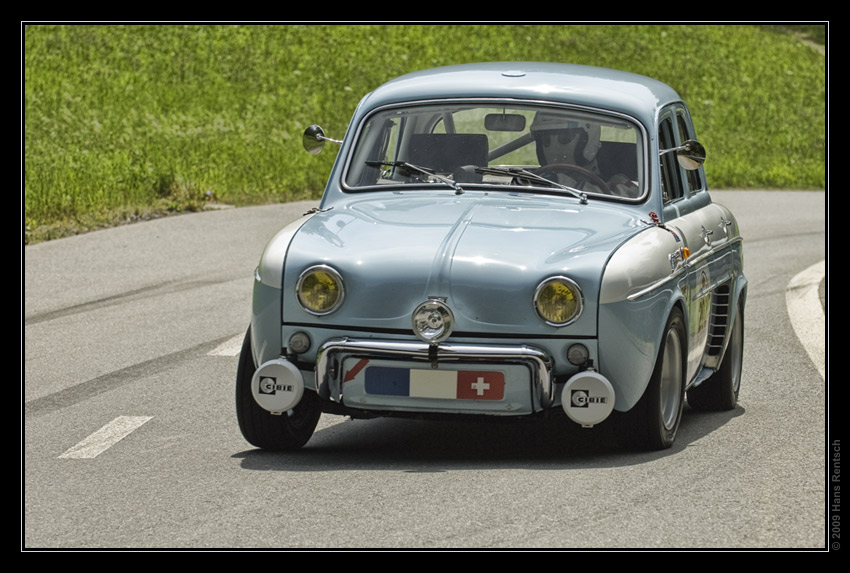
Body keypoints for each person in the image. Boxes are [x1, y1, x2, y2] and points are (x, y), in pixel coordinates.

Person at [530, 113, 639, 197]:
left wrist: (560, 183)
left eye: (565, 138)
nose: (554, 148)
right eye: (545, 140)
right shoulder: (530, 179)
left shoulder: (618, 184)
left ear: (589, 139)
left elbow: (625, 204)